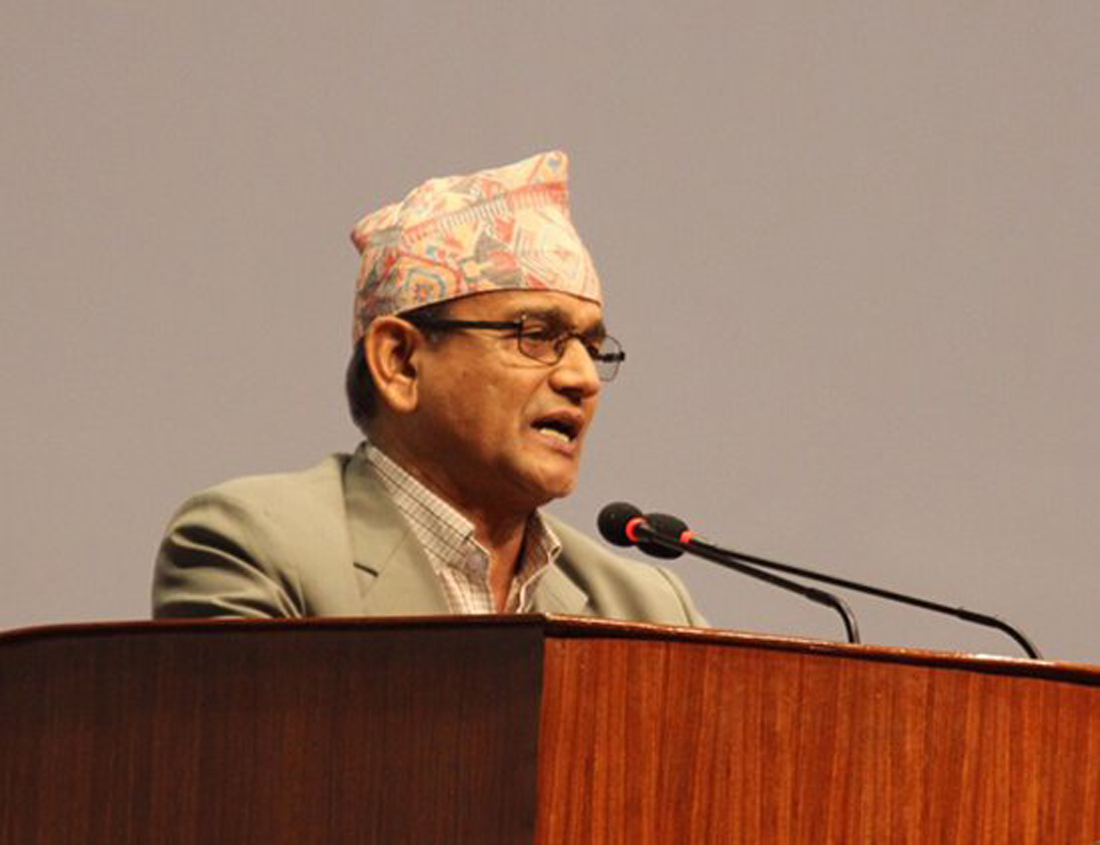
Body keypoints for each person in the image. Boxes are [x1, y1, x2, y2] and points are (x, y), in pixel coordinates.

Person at [153, 150, 705, 626]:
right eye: (537, 335)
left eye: (593, 347)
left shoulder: (646, 609)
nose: (582, 378)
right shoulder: (258, 547)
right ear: (400, 363)